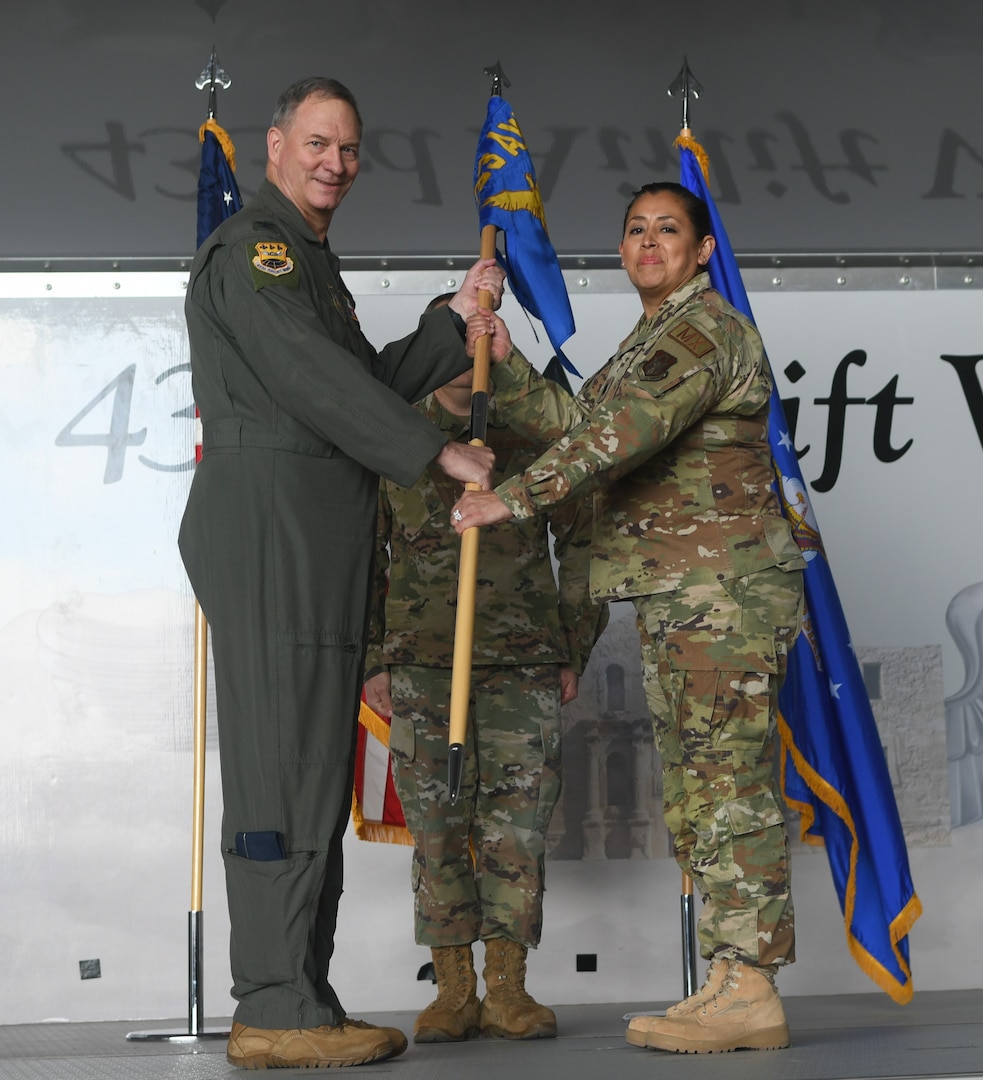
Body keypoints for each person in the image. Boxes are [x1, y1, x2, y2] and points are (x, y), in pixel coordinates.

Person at [177, 76, 504, 1070]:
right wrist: (435, 452)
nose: (335, 163)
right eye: (317, 142)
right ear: (271, 146)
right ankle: (272, 1003)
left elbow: (352, 378)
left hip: (314, 533)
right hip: (273, 528)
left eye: (349, 148)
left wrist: (451, 321)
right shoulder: (258, 253)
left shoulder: (308, 263)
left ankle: (300, 997)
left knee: (312, 772)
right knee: (281, 770)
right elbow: (311, 382)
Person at [451, 181, 808, 1055]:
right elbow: (583, 419)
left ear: (701, 251)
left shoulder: (704, 331)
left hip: (723, 595)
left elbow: (623, 434)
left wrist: (515, 499)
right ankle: (729, 975)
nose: (650, 243)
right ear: (621, 251)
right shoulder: (650, 338)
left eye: (669, 231)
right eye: (636, 231)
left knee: (729, 787)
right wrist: (504, 351)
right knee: (696, 790)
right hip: (681, 596)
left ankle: (753, 984)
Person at [363, 296, 608, 1044]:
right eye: (455, 334)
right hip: (424, 666)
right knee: (436, 826)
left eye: (478, 334)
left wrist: (571, 642)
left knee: (516, 830)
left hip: (523, 664)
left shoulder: (535, 432)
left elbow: (591, 538)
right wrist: (374, 657)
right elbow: (360, 558)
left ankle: (507, 986)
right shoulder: (396, 435)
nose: (466, 348)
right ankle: (453, 988)